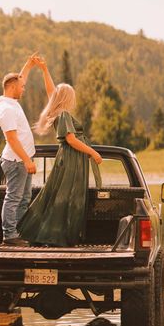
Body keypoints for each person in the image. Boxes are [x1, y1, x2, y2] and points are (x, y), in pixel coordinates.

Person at [17, 57, 102, 247]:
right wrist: (92, 152)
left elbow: (51, 92)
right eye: (72, 96)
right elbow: (71, 139)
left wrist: (45, 70)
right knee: (67, 197)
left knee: (61, 196)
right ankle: (57, 236)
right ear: (67, 98)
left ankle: (59, 235)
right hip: (71, 160)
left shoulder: (58, 112)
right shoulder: (63, 114)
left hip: (71, 160)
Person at [0, 54, 38, 246]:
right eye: (21, 87)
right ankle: (9, 235)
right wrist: (27, 160)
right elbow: (12, 139)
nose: (24, 89)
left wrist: (28, 65)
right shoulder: (6, 109)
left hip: (22, 160)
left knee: (24, 198)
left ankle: (19, 232)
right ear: (12, 88)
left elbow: (20, 79)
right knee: (14, 198)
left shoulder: (11, 103)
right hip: (16, 161)